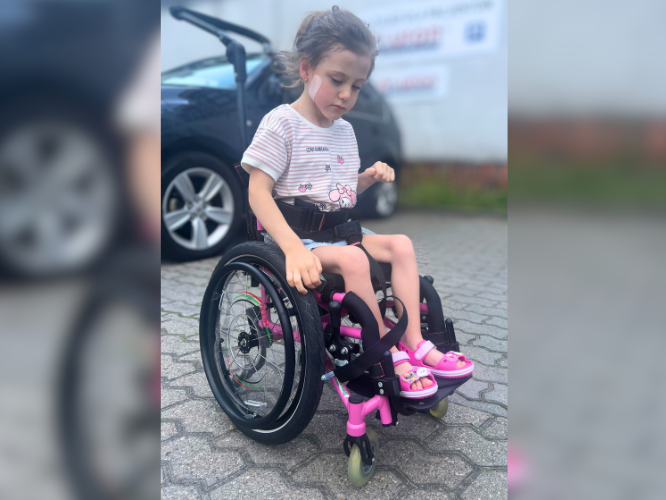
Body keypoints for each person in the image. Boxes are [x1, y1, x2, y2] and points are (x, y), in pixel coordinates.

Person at [241, 6, 473, 398]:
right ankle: (385, 352)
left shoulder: (344, 132)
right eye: (337, 80)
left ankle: (413, 343)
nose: (347, 94)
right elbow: (257, 192)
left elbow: (340, 193)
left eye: (358, 85)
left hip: (339, 232)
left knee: (401, 244)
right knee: (353, 260)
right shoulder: (282, 123)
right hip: (297, 238)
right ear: (306, 68)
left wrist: (366, 178)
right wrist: (293, 250)